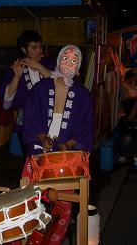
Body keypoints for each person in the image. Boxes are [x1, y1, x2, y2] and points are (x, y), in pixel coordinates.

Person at [22, 44, 94, 244]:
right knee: (28, 196)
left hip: (67, 154)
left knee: (64, 203)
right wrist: (42, 138)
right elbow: (31, 117)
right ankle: (30, 238)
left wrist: (66, 145)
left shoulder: (83, 95)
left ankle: (54, 240)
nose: (68, 63)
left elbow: (85, 128)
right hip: (39, 148)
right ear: (58, 60)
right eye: (65, 58)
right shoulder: (41, 88)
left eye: (74, 60)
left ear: (78, 67)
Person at [0, 30, 56, 155]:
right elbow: (6, 103)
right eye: (34, 47)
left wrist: (39, 67)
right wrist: (17, 77)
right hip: (26, 123)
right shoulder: (16, 69)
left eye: (40, 46)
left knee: (52, 157)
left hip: (51, 119)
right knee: (32, 158)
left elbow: (62, 83)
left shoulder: (49, 64)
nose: (39, 50)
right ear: (24, 50)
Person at [116, 97, 137, 163]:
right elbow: (130, 118)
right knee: (128, 137)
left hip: (133, 143)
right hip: (123, 144)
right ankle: (122, 156)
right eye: (135, 108)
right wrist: (136, 102)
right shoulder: (124, 119)